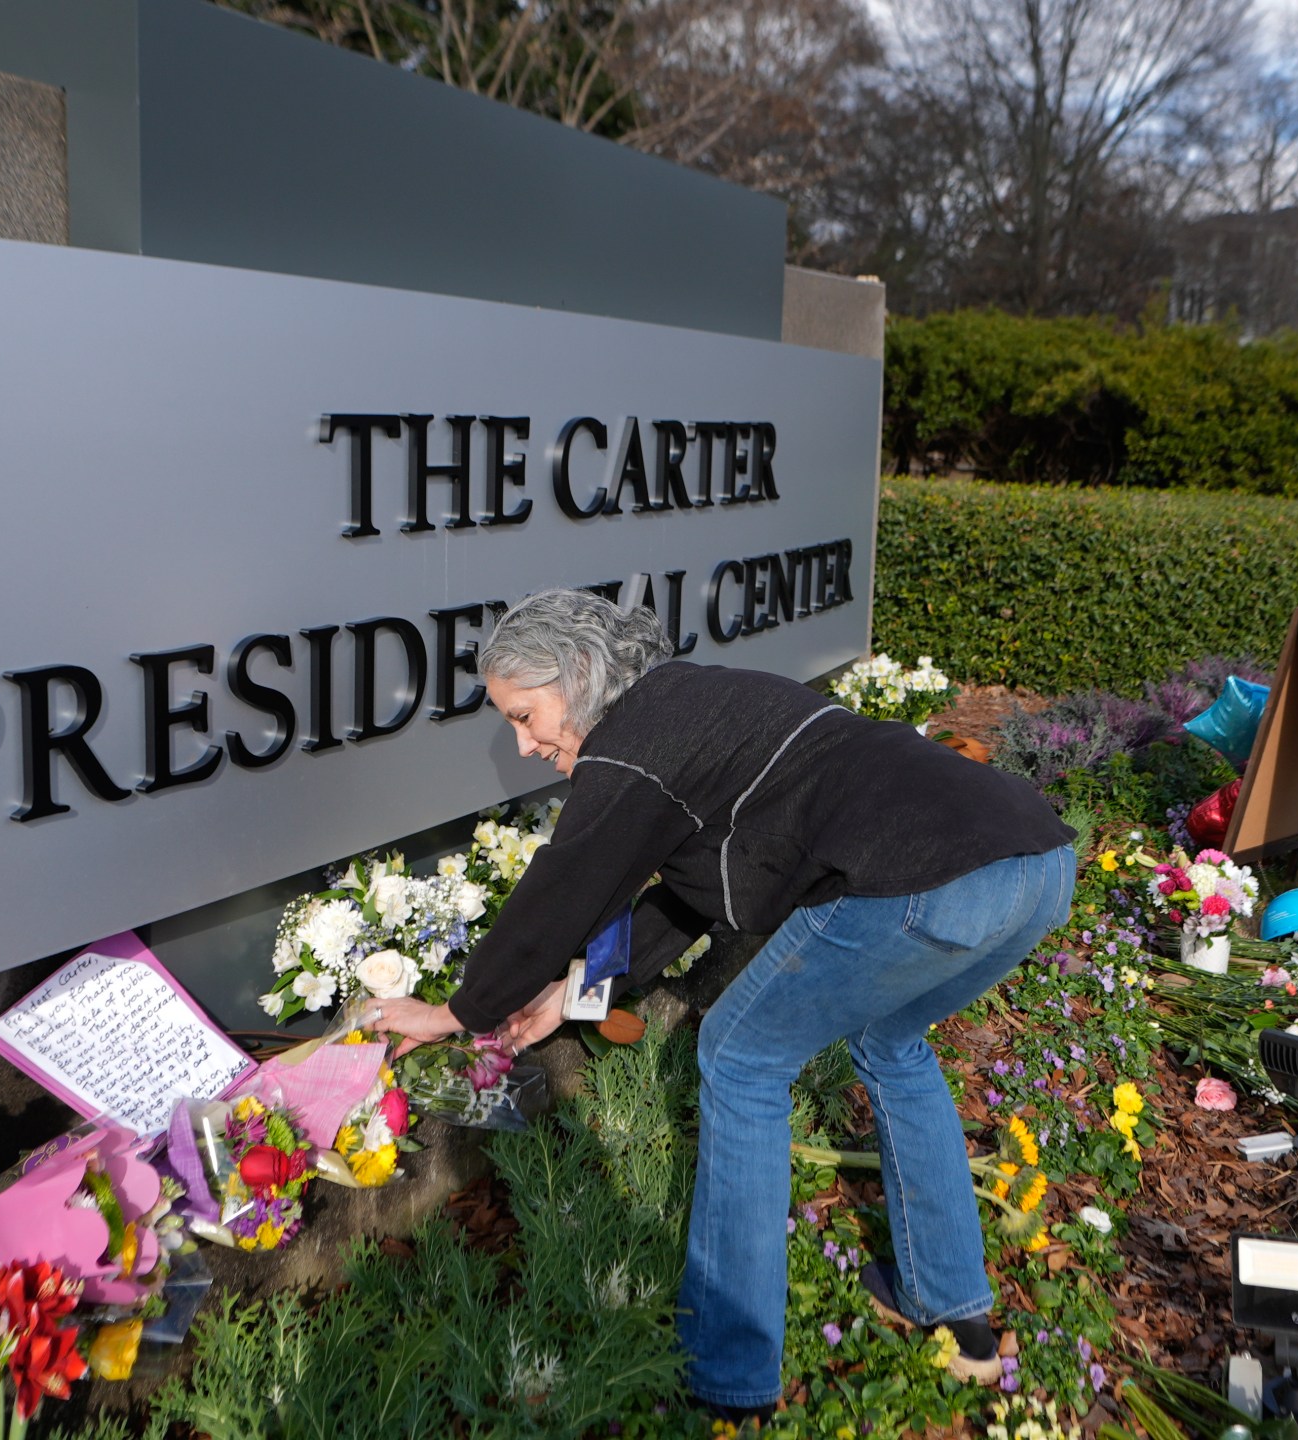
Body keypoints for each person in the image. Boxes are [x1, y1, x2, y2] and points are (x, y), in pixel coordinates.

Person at [369, 589, 1075, 1418]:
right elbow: (697, 894)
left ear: (584, 675)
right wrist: (577, 995)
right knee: (891, 1045)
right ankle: (959, 1320)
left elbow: (564, 890)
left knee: (740, 1058)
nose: (525, 745)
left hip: (920, 881)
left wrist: (460, 1012)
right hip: (1035, 866)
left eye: (526, 716)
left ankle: (728, 1384)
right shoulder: (696, 707)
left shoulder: (630, 747)